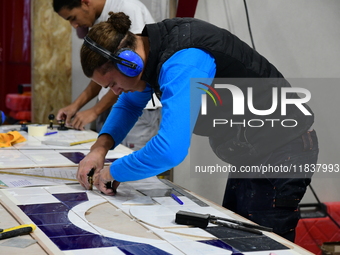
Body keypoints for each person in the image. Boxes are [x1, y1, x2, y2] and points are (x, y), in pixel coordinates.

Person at [77, 12, 319, 242]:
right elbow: (130, 104)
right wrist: (100, 148)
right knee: (237, 238)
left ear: (129, 63)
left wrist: (115, 171)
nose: (114, 92)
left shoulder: (183, 61)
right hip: (254, 150)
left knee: (262, 247)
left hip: (283, 150)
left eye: (112, 83)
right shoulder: (153, 50)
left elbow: (170, 150)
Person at [53, 0, 161, 150]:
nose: (74, 25)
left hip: (138, 106)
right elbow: (104, 75)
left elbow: (128, 73)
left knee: (131, 160)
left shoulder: (127, 8)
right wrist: (76, 106)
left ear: (85, 2)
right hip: (111, 103)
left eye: (73, 18)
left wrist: (95, 110)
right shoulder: (98, 18)